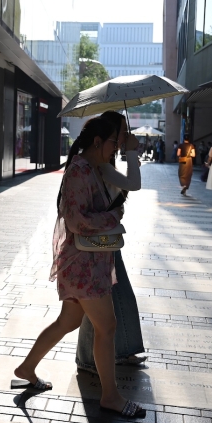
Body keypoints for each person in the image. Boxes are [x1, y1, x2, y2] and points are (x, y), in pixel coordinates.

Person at [13, 117, 147, 419]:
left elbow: (131, 185)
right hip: (82, 266)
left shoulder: (95, 168)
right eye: (117, 140)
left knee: (69, 321)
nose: (119, 146)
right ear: (98, 142)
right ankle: (110, 396)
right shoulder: (79, 170)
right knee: (107, 326)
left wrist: (130, 153)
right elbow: (76, 221)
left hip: (90, 264)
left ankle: (26, 368)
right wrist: (113, 218)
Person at [76, 111, 145, 375]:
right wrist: (132, 153)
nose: (124, 137)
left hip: (105, 239)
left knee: (114, 296)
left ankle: (120, 351)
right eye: (120, 133)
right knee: (95, 303)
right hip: (98, 241)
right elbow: (135, 184)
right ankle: (88, 358)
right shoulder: (98, 165)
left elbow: (128, 186)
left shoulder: (103, 164)